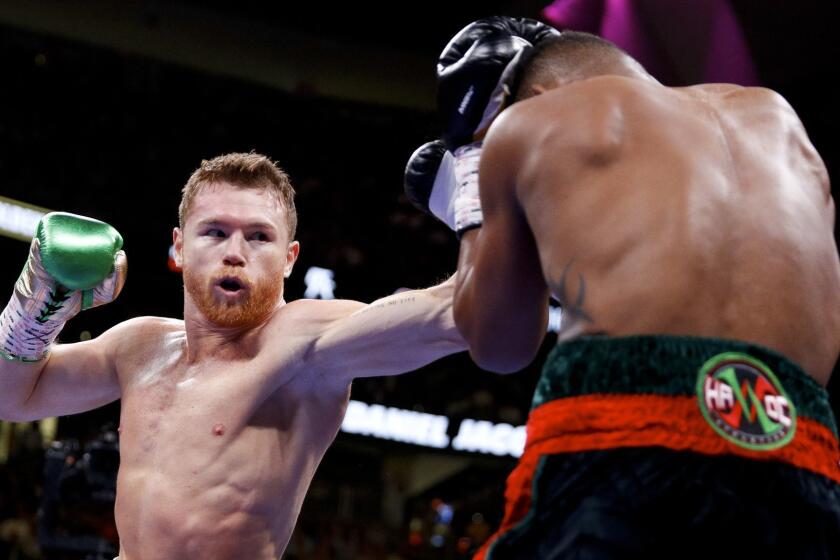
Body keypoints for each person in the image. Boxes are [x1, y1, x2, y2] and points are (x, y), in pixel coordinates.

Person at [406, 16, 840, 559]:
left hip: (628, 422)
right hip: (795, 441)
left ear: (535, 96)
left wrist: (472, 187)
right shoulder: (777, 120)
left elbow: (499, 345)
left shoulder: (533, 120)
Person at [0, 152, 466, 559]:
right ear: (179, 247)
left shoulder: (301, 345)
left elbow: (449, 316)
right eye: (215, 232)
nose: (235, 253)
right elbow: (16, 398)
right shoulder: (139, 346)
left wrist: (478, 206)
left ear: (289, 257)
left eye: (259, 237)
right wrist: (38, 306)